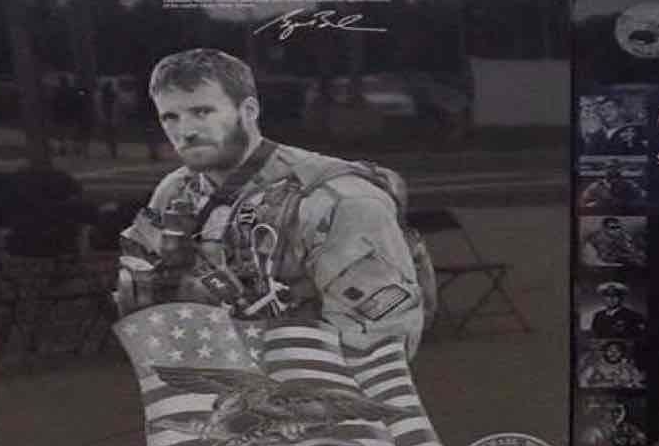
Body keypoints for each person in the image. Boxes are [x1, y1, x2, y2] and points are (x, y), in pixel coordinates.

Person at [113, 48, 430, 356]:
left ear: (248, 111)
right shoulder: (175, 191)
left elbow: (380, 342)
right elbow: (141, 289)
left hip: (319, 398)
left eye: (202, 112)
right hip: (214, 388)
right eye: (170, 117)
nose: (186, 131)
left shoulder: (337, 198)